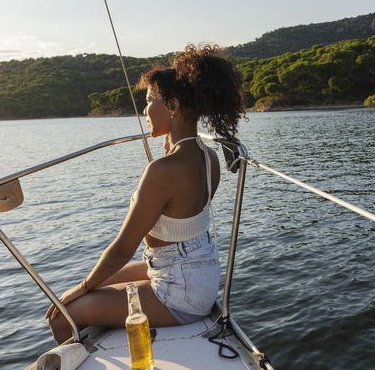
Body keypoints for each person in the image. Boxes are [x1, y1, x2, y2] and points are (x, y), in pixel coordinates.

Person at [46, 44, 245, 344]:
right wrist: (169, 141)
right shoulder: (209, 158)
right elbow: (182, 219)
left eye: (150, 100)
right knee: (89, 290)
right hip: (197, 272)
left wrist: (83, 288)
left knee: (64, 314)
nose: (144, 110)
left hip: (179, 292)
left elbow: (122, 251)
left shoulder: (162, 171)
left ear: (174, 107)